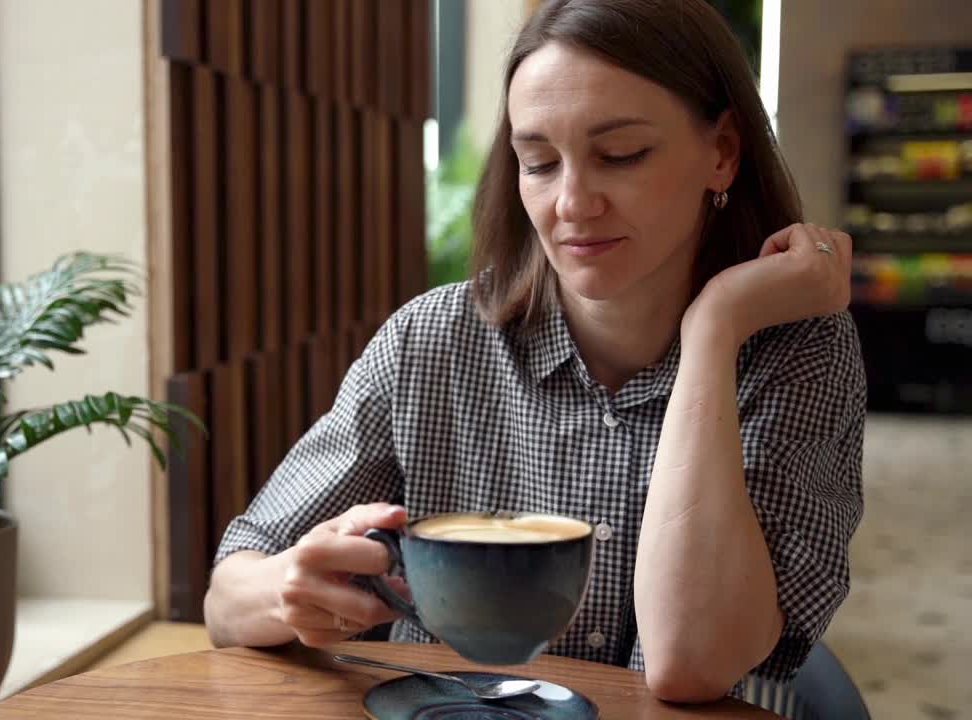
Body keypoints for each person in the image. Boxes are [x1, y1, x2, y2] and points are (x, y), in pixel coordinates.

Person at [204, 0, 865, 704]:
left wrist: (714, 330)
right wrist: (287, 589)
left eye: (621, 155)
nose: (573, 203)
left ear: (722, 152)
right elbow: (225, 598)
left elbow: (691, 662)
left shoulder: (797, 351)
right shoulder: (432, 341)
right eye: (539, 162)